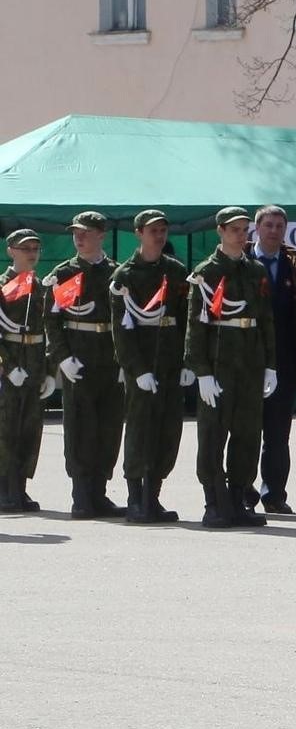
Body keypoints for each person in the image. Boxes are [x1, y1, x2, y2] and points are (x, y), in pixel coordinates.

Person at [185, 207, 277, 528]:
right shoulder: (206, 273)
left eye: (244, 229)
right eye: (235, 229)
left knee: (248, 433)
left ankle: (238, 497)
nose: (242, 235)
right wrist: (202, 371)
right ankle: (214, 500)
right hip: (219, 363)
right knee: (213, 433)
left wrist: (270, 365)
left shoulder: (255, 271)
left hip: (250, 363)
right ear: (220, 231)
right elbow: (196, 327)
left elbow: (265, 320)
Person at [110, 207, 190, 523]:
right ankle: (134, 497)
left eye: (162, 230)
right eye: (152, 230)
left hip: (171, 363)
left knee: (168, 430)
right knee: (140, 430)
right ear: (139, 233)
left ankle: (153, 495)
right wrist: (137, 370)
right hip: (143, 365)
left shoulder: (176, 271)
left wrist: (188, 362)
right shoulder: (125, 276)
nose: (158, 235)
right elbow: (121, 330)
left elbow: (186, 321)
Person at [45, 209, 125, 518]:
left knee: (109, 425)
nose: (79, 237)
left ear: (100, 235)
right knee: (80, 426)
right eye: (76, 232)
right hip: (78, 354)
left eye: (86, 232)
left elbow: (125, 320)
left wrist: (124, 361)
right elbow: (52, 321)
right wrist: (62, 358)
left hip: (110, 356)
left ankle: (99, 493)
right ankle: (81, 495)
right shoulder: (65, 274)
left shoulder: (117, 273)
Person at [248, 205, 296, 515]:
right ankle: (242, 491)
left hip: (285, 364)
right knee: (246, 432)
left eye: (279, 225)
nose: (274, 230)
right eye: (268, 225)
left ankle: (274, 494)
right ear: (257, 228)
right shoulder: (243, 261)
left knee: (278, 435)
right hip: (247, 362)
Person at [1, 227, 50, 512]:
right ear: (11, 251)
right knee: (5, 429)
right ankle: (4, 487)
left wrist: (49, 371)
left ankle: (20, 486)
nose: (31, 254)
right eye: (25, 249)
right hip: (9, 367)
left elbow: (49, 331)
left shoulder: (42, 288)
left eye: (35, 249)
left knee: (29, 429)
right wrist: (7, 366)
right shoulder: (3, 286)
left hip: (34, 364)